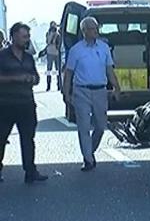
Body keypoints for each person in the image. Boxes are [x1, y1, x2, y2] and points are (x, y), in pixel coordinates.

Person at [62, 17, 122, 172]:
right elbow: (68, 73)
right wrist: (66, 93)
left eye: (96, 28)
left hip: (100, 90)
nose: (95, 31)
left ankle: (90, 151)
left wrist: (116, 87)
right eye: (92, 29)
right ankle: (88, 159)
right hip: (81, 90)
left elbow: (109, 70)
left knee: (101, 126)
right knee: (83, 126)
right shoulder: (76, 50)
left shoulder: (104, 48)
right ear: (84, 31)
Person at [0, 23, 48, 184]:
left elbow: (36, 77)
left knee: (28, 139)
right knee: (1, 139)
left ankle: (30, 171)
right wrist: (15, 78)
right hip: (5, 105)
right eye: (24, 36)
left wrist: (32, 79)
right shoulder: (2, 56)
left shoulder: (28, 57)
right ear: (14, 36)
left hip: (26, 104)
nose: (26, 40)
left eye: (28, 36)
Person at [45, 22, 62, 92]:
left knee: (56, 70)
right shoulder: (52, 34)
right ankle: (50, 85)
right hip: (53, 53)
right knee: (51, 70)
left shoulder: (57, 34)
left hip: (54, 53)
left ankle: (57, 85)